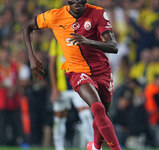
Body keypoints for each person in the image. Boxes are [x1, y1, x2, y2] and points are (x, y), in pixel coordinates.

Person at [23, 0, 121, 150]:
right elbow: (27, 27)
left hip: (102, 71)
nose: (77, 2)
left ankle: (95, 147)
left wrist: (88, 41)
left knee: (102, 115)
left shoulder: (97, 13)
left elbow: (113, 46)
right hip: (76, 71)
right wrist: (32, 57)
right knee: (97, 109)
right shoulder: (55, 16)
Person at [49, 38, 93, 150]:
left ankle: (93, 145)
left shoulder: (77, 37)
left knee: (86, 114)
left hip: (77, 85)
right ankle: (59, 147)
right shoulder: (56, 41)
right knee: (59, 119)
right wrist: (54, 87)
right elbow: (52, 65)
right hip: (61, 87)